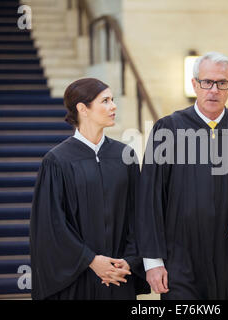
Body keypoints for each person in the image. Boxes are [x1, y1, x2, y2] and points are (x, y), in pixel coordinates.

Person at [136, 52, 228, 299]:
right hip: (181, 258)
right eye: (207, 82)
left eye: (222, 83)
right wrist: (153, 262)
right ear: (194, 84)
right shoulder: (169, 130)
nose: (214, 90)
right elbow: (149, 197)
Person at [29, 78, 149, 299]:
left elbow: (139, 214)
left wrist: (129, 260)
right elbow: (51, 224)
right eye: (105, 101)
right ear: (83, 109)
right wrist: (91, 261)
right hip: (77, 279)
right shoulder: (57, 161)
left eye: (113, 100)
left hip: (119, 276)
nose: (113, 106)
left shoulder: (125, 156)